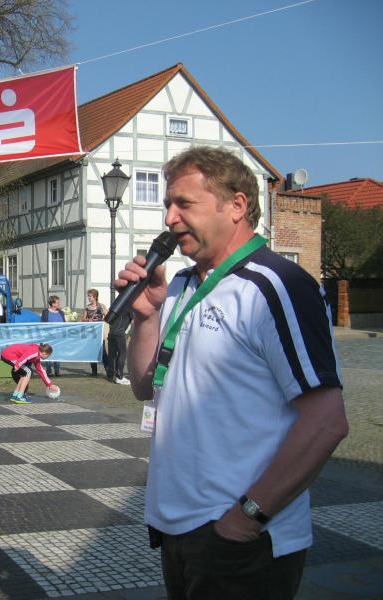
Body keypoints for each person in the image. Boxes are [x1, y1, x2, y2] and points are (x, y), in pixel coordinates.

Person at [117, 146, 347, 600]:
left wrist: (246, 519)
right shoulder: (181, 284)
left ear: (237, 205)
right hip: (178, 527)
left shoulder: (277, 286)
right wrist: (146, 316)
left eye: (184, 204)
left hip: (240, 538)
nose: (169, 218)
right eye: (168, 204)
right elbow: (144, 386)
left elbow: (327, 421)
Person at [81, 288, 108, 377]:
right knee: (92, 352)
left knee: (103, 352)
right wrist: (88, 320)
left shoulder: (101, 306)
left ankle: (108, 371)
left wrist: (102, 320)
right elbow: (83, 319)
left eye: (90, 296)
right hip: (90, 333)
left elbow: (108, 316)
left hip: (99, 332)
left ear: (95, 297)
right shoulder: (87, 308)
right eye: (88, 296)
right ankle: (94, 371)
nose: (88, 298)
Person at [40, 295, 64, 377]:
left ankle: (57, 371)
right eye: (57, 302)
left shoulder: (61, 312)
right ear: (52, 304)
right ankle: (49, 371)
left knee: (58, 353)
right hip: (48, 337)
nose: (59, 304)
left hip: (59, 337)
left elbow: (64, 324)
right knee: (48, 352)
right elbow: (42, 324)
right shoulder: (45, 312)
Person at [106, 307, 132, 385]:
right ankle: (119, 377)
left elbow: (108, 319)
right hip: (119, 333)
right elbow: (134, 321)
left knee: (112, 354)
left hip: (111, 332)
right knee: (122, 353)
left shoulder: (116, 305)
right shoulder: (129, 307)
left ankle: (111, 375)